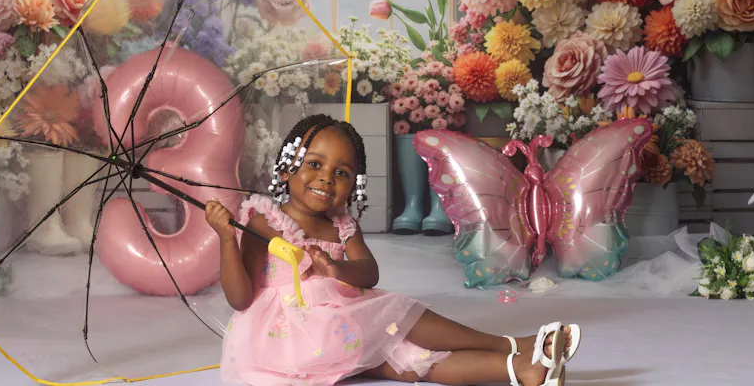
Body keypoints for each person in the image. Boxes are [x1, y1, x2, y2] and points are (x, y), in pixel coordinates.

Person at [207, 114, 582, 386]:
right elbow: (241, 299)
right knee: (398, 311)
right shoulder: (263, 222)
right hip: (292, 337)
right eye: (315, 164)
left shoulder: (341, 225)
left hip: (344, 333)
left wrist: (335, 270)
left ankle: (521, 369)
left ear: (354, 185)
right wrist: (226, 240)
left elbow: (368, 273)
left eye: (342, 173)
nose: (326, 178)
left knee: (413, 361)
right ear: (286, 168)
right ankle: (510, 344)